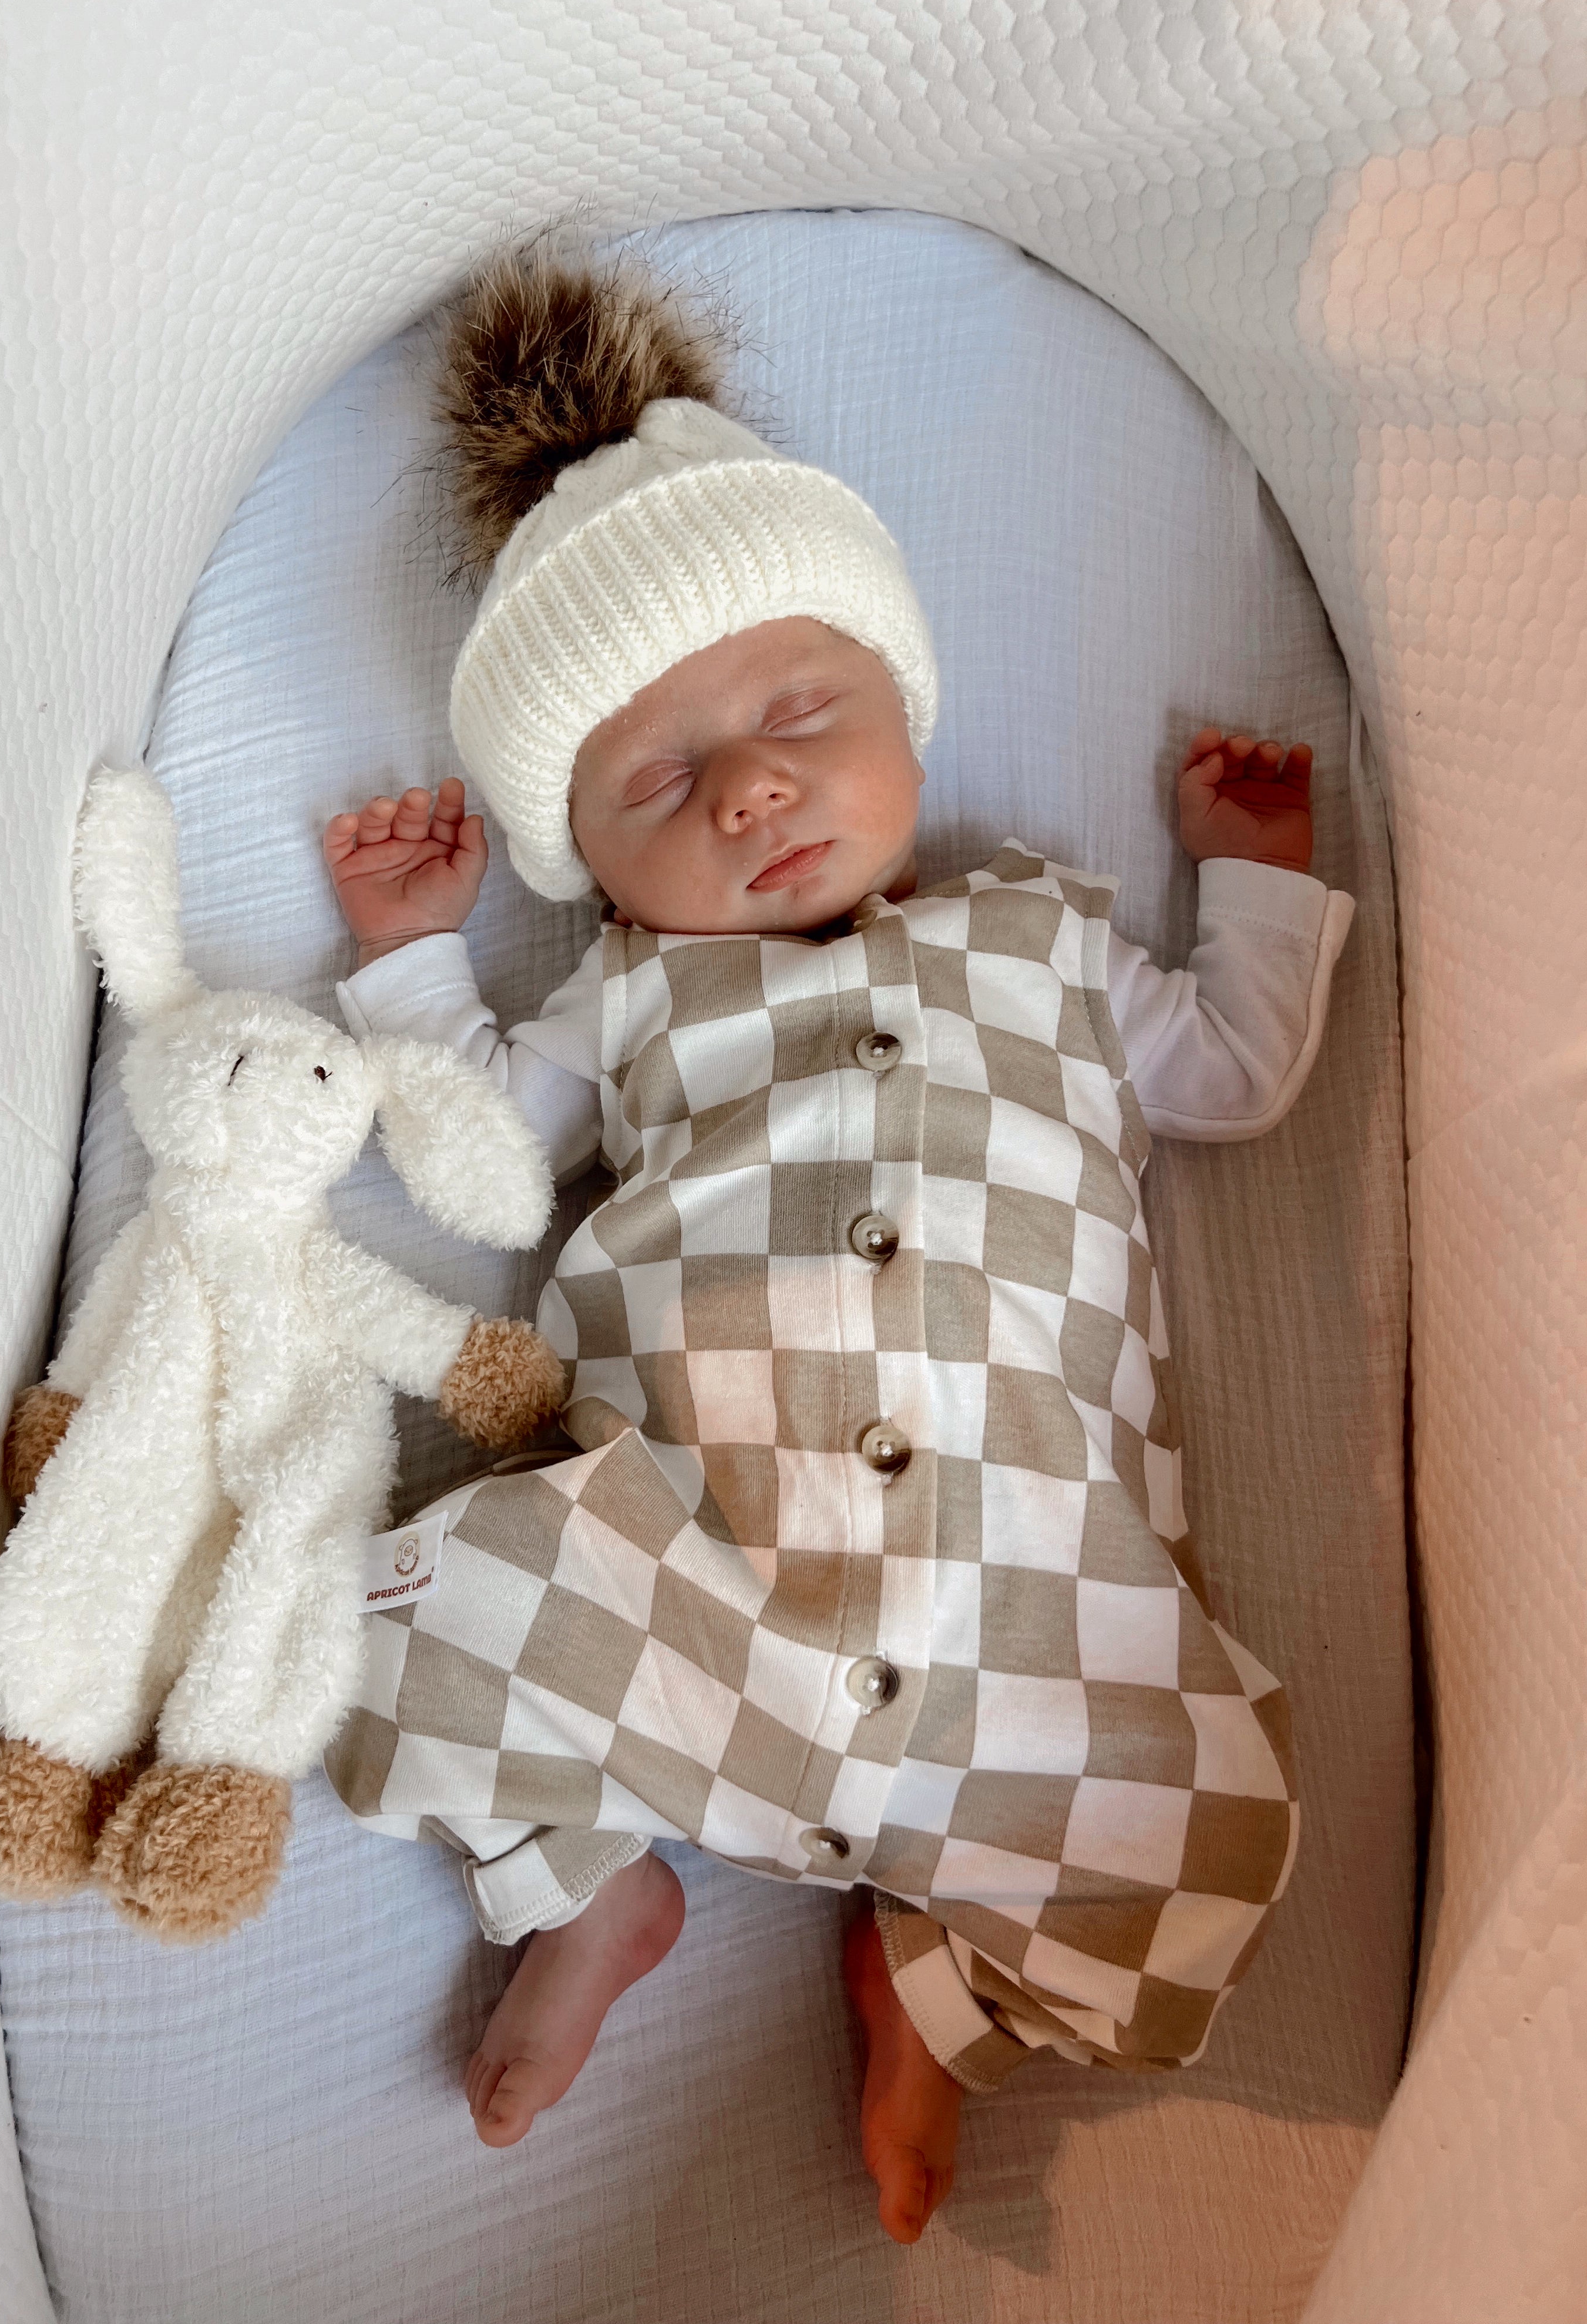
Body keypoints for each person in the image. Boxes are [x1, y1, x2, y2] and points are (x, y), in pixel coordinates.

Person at [321, 249, 1353, 2244]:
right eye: (657, 781)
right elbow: (473, 1156)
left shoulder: (1040, 942)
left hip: (1021, 1605)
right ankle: (589, 1884)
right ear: (591, 863)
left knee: (1204, 1843)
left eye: (799, 708)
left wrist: (1254, 886)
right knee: (390, 1646)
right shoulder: (624, 1006)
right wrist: (411, 966)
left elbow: (1228, 1076)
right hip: (702, 1575)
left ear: (900, 703)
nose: (750, 785)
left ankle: (929, 1978)